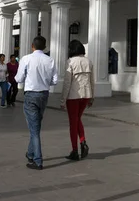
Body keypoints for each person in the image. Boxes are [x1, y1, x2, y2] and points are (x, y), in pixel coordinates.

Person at [15, 36, 57, 170]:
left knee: (34, 129)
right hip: (44, 94)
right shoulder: (50, 60)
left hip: (31, 94)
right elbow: (54, 80)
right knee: (36, 125)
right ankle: (30, 152)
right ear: (44, 47)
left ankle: (38, 160)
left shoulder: (26, 59)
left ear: (32, 45)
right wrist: (45, 81)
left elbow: (19, 78)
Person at [60, 40, 94, 161]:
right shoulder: (88, 61)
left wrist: (63, 100)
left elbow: (67, 83)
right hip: (86, 95)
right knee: (78, 119)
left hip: (73, 96)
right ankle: (83, 142)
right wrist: (91, 97)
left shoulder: (70, 62)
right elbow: (92, 80)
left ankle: (75, 150)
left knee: (73, 123)